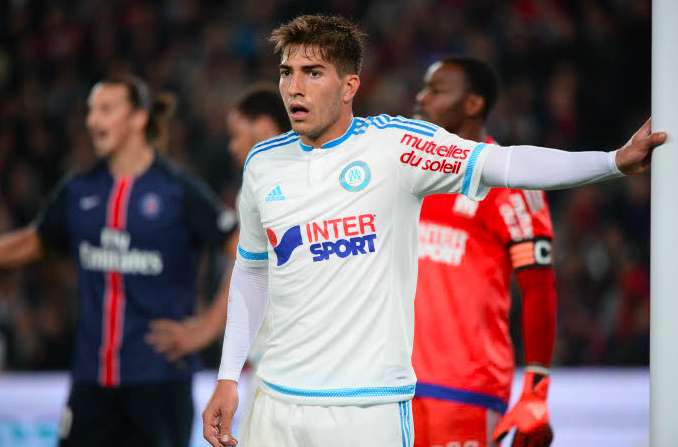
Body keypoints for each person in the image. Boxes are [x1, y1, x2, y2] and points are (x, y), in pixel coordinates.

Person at [201, 14, 665, 447]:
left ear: (349, 86)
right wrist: (228, 376)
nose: (294, 88)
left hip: (367, 408)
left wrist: (612, 162)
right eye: (287, 72)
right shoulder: (264, 164)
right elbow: (252, 271)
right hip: (274, 402)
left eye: (313, 73)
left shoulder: (395, 147)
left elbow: (505, 163)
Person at [0, 74, 237, 447]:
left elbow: (244, 251)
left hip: (159, 381)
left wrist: (207, 327)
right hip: (91, 382)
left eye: (106, 109)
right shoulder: (79, 189)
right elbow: (33, 241)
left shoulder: (177, 190)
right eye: (91, 110)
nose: (93, 120)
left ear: (138, 118)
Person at [411, 57, 556, 447]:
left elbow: (539, 288)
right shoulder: (408, 173)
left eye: (436, 90)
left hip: (466, 391)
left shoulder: (508, 182)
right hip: (390, 388)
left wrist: (536, 388)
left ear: (473, 104)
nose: (421, 98)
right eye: (423, 88)